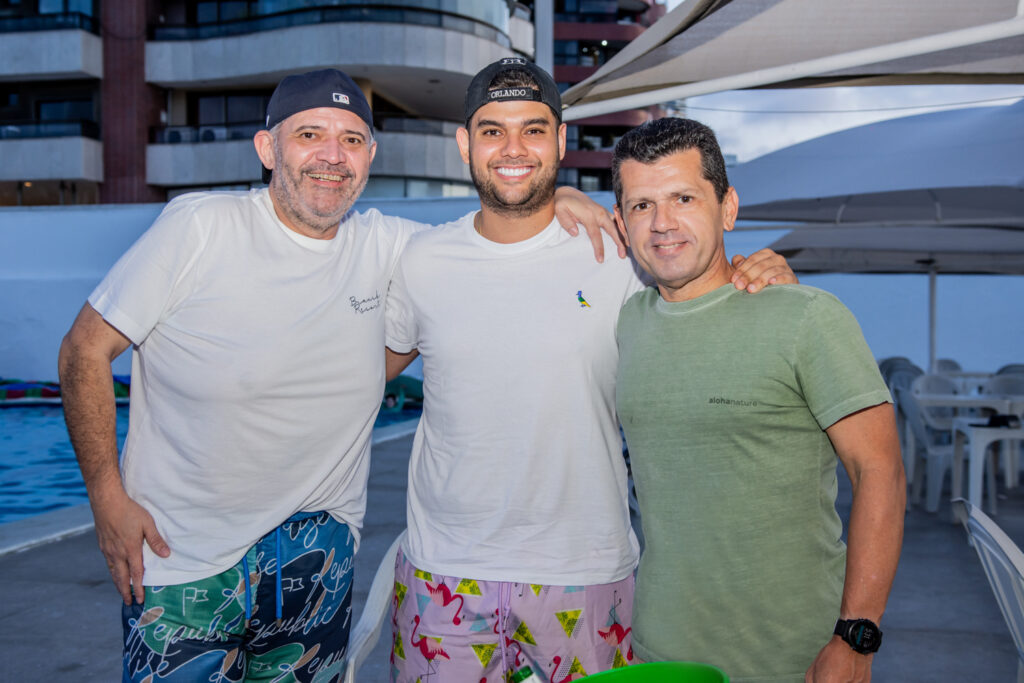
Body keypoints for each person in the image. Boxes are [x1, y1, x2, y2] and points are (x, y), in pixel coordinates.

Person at [57, 67, 618, 683]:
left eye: (351, 139)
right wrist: (107, 499)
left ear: (371, 156)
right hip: (183, 558)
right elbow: (83, 350)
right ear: (268, 148)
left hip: (315, 558)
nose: (332, 156)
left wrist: (561, 198)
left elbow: (500, 234)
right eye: (309, 135)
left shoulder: (393, 248)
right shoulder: (199, 228)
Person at [383, 58, 796, 683]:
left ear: (560, 141)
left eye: (533, 129)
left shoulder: (619, 253)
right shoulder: (421, 260)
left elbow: (705, 285)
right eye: (492, 130)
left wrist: (761, 274)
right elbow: (355, 384)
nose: (513, 148)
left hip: (588, 572)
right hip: (445, 574)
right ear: (465, 144)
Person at [611, 117, 906, 683]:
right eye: (642, 205)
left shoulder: (805, 316)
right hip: (660, 651)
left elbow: (881, 473)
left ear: (727, 208)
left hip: (794, 659)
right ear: (622, 225)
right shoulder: (629, 322)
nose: (663, 223)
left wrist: (857, 637)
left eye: (683, 197)